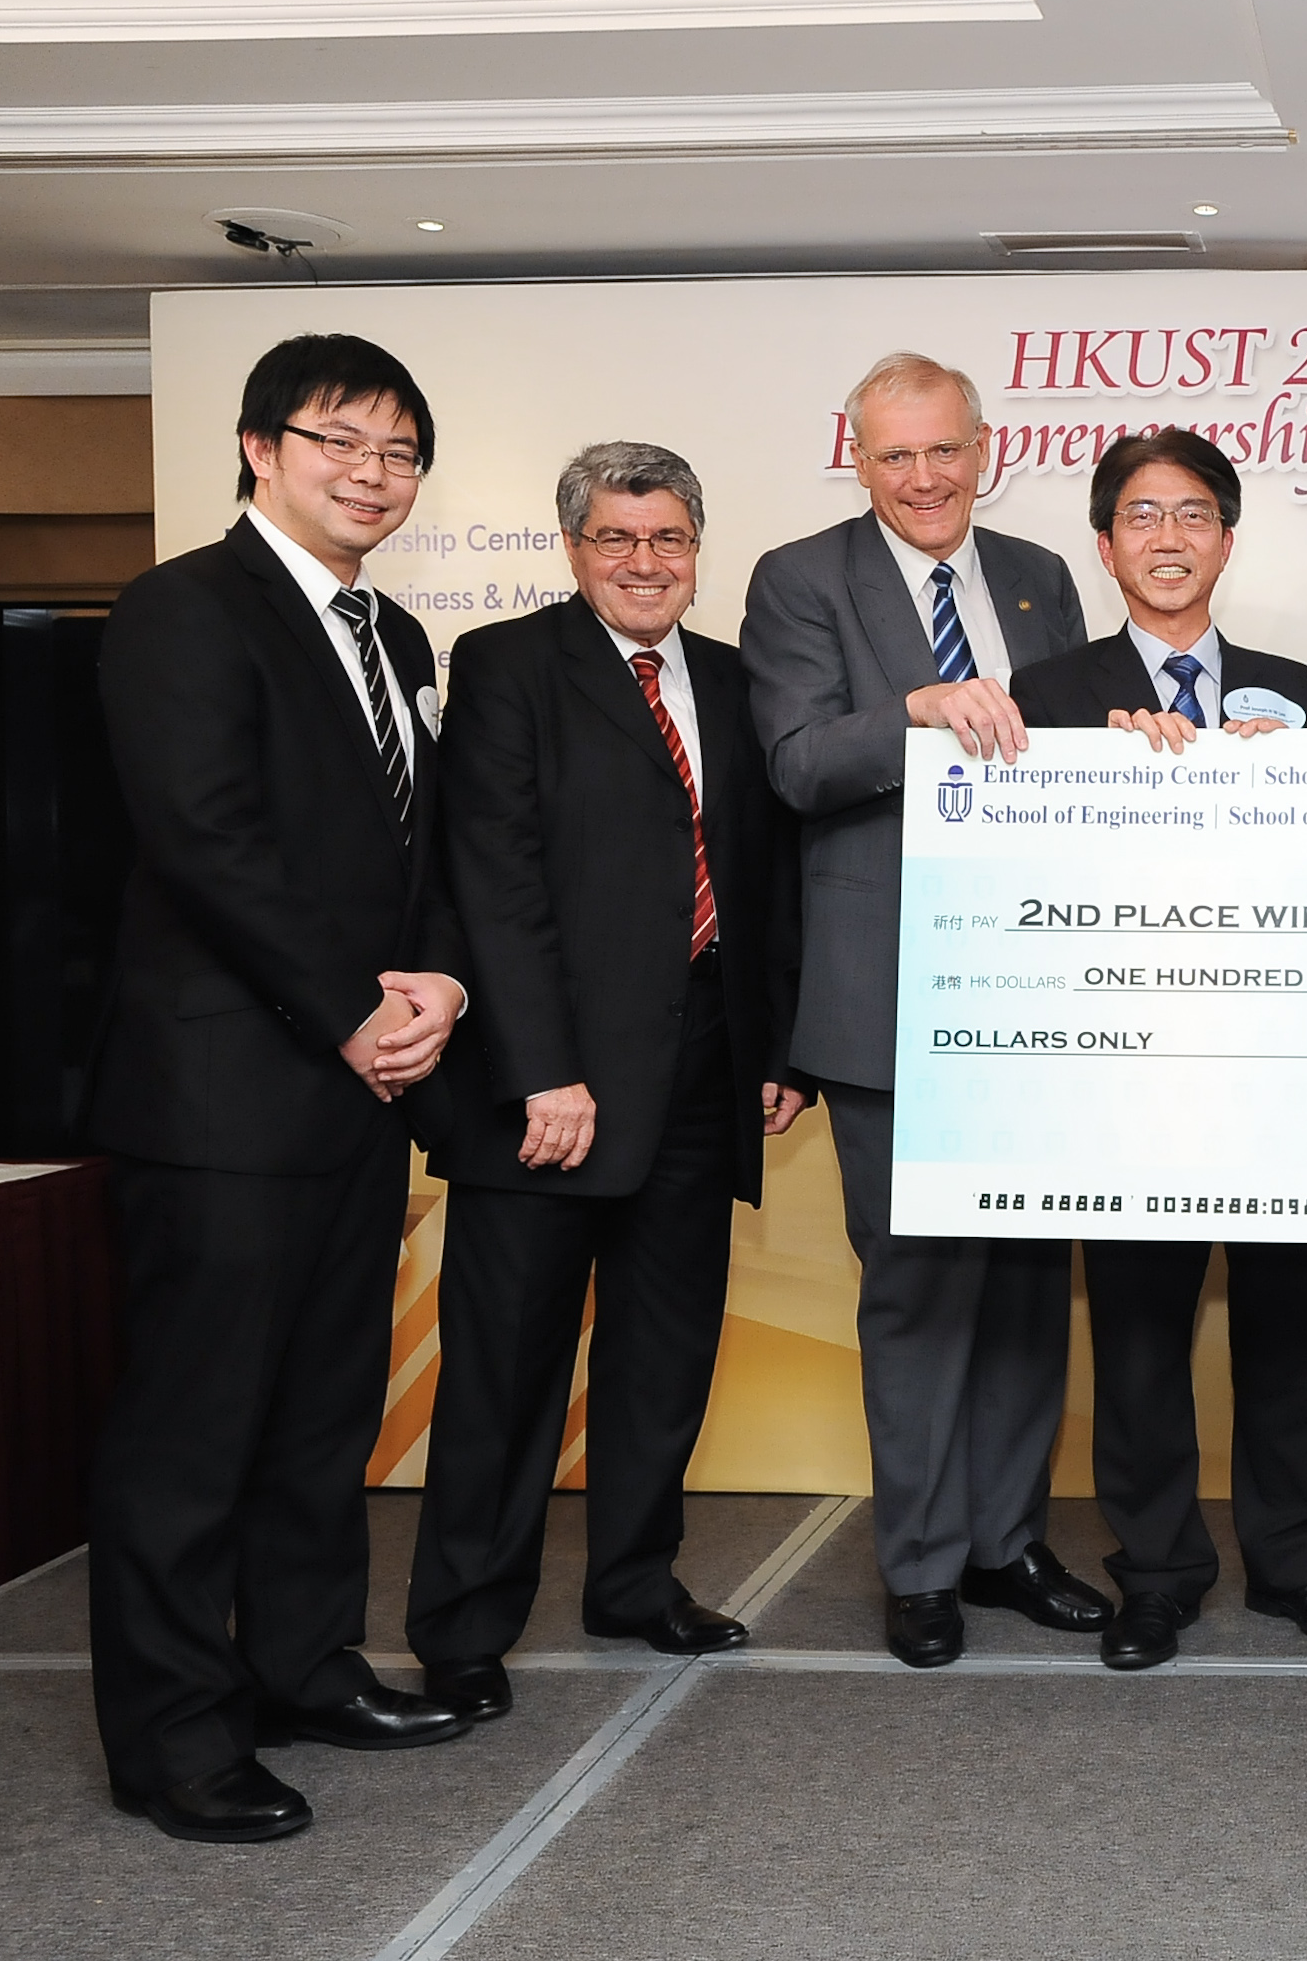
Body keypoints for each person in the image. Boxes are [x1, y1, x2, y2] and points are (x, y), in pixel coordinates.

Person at [83, 333, 472, 1843]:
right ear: (260, 450)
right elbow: (206, 841)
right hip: (223, 1099)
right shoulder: (183, 611)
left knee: (322, 1417)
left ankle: (308, 1668)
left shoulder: (394, 638)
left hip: (358, 1091)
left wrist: (436, 982)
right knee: (193, 1434)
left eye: (398, 453)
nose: (371, 475)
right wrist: (348, 1013)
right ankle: (174, 1739)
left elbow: (414, 849)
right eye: (339, 443)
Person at [405, 442, 808, 1721]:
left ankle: (634, 1584)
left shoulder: (740, 682)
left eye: (670, 539)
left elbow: (765, 879)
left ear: (700, 546)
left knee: (663, 1357)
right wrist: (544, 1073)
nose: (647, 563)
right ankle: (465, 1627)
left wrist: (774, 1048)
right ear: (573, 549)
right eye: (619, 541)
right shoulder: (512, 667)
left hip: (702, 1072)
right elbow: (496, 882)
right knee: (507, 1372)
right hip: (549, 1091)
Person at [740, 351, 1108, 1669]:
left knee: (1022, 1288)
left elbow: (1076, 755)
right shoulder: (800, 577)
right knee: (915, 1291)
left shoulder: (1039, 577)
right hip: (886, 999)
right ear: (857, 459)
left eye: (944, 449)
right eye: (894, 455)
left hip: (1038, 997)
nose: (924, 477)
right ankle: (922, 1564)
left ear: (984, 446)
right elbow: (792, 765)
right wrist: (919, 710)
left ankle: (1008, 1542)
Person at [1008, 428, 1307, 1672]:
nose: (1169, 539)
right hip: (1129, 1078)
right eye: (1142, 517)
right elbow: (1022, 885)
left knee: (1294, 1325)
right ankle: (1156, 1571)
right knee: (1139, 1333)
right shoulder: (1047, 697)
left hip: (1284, 1072)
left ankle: (1301, 1569)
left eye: (1194, 516)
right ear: (1104, 542)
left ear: (1229, 535)